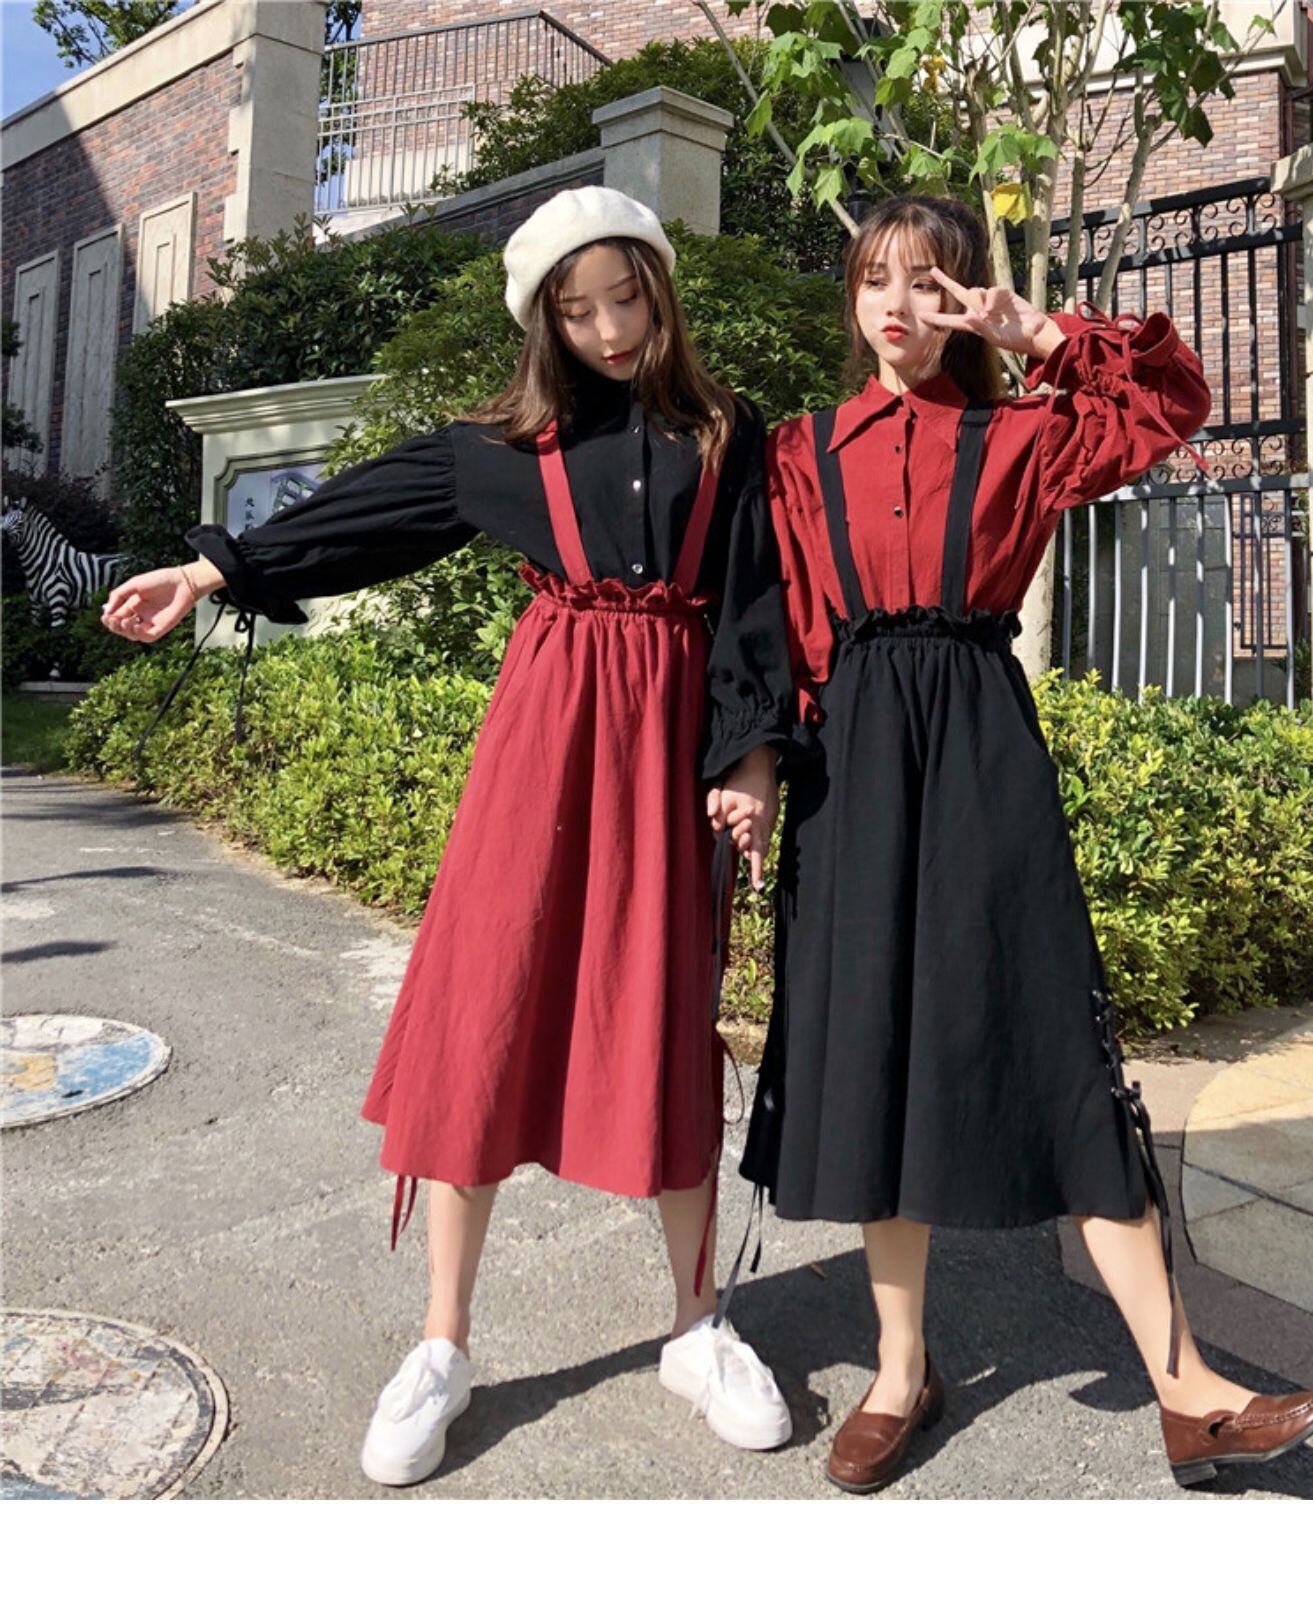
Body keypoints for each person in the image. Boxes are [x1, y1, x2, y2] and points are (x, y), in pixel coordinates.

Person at [102, 187, 794, 1486]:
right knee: (483, 1012)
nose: (608, 330)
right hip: (545, 746)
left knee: (664, 1020)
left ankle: (696, 1326)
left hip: (669, 755)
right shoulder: (502, 447)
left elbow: (759, 603)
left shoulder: (725, 433)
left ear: (660, 290)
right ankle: (442, 1344)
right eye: (577, 311)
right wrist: (208, 572)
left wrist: (752, 757)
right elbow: (364, 515)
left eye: (626, 299)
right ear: (544, 322)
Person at [721, 194, 1313, 1495]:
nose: (899, 304)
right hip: (852, 777)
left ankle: (1187, 1389)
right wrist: (756, 766)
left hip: (985, 758)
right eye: (875, 278)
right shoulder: (794, 454)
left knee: (1060, 1045)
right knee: (877, 1053)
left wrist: (1038, 332)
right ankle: (901, 1371)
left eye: (930, 281)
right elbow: (762, 630)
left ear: (965, 300)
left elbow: (1172, 401)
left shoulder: (1023, 434)